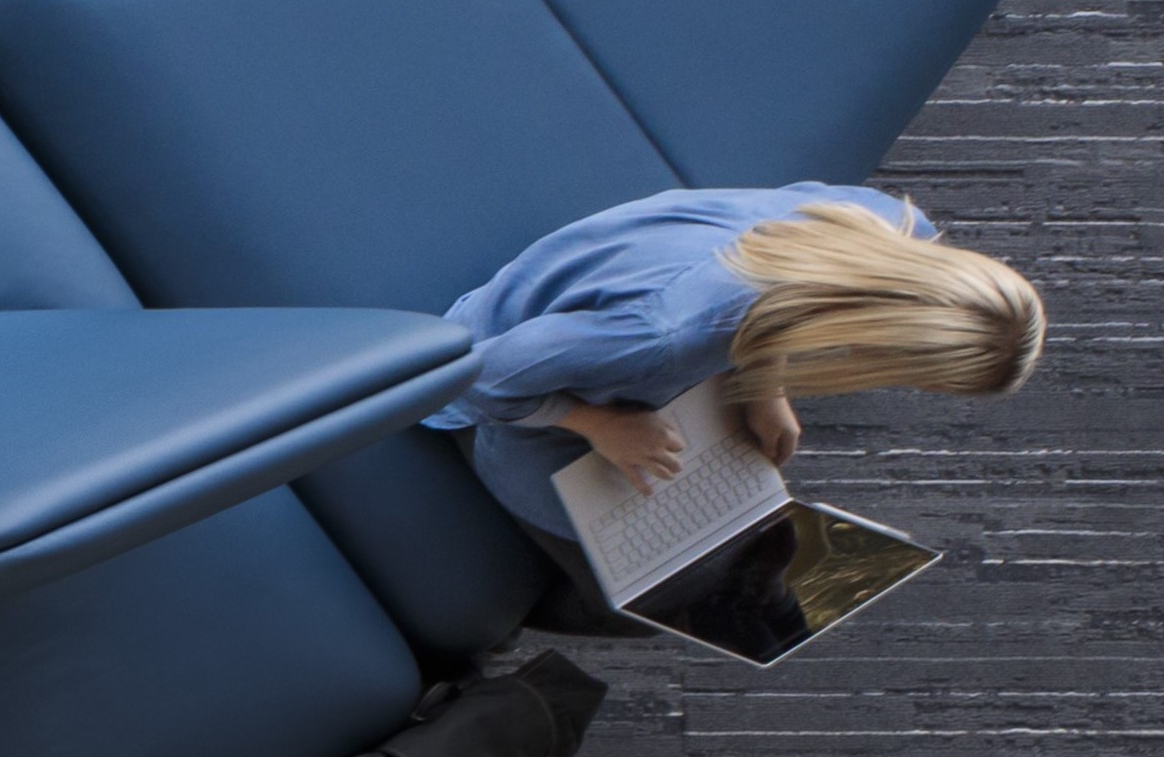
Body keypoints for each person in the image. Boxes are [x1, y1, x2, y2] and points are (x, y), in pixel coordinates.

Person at [429, 183, 1044, 573]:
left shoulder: (883, 221)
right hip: (503, 376)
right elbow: (478, 376)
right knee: (638, 575)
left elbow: (786, 298)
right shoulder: (665, 338)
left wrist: (765, 384)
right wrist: (602, 425)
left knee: (715, 520)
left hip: (603, 308)